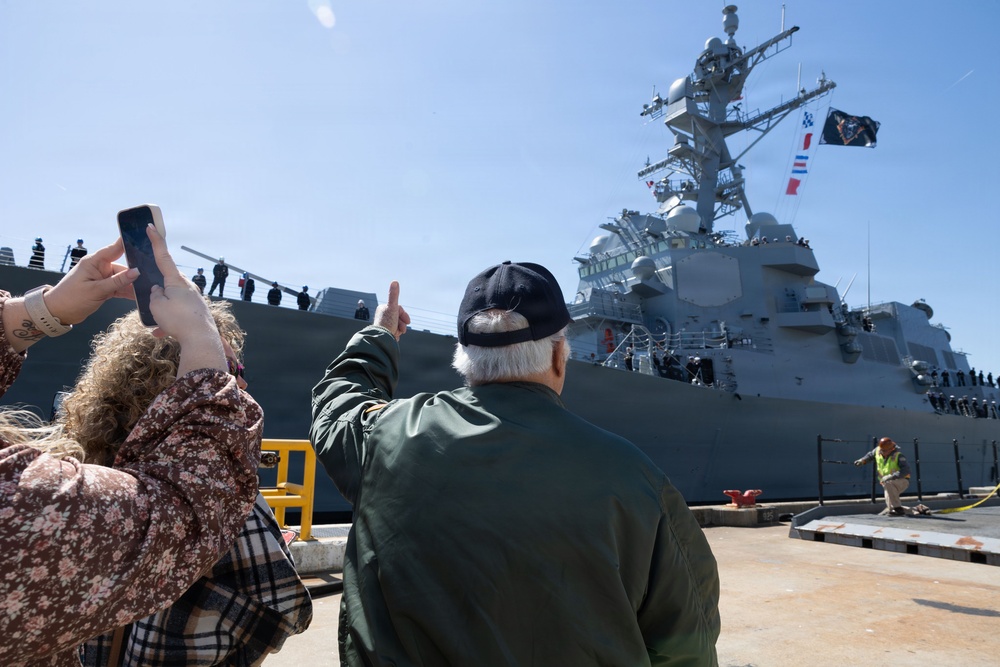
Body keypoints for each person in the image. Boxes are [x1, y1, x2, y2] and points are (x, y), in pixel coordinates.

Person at [310, 262, 720, 666]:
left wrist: (380, 335)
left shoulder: (384, 435)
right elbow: (687, 640)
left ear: (463, 357)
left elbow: (336, 406)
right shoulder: (638, 478)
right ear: (559, 354)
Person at [0, 230, 263, 664]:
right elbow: (185, 509)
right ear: (175, 387)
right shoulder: (31, 506)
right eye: (235, 368)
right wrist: (204, 346)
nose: (242, 382)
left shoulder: (71, 470)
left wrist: (41, 310)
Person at [63, 302, 312, 666]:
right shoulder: (221, 495)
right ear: (169, 384)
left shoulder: (84, 479)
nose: (239, 382)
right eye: (226, 367)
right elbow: (281, 608)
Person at [854, 437, 913, 516]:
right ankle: (911, 510)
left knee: (889, 485)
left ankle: (898, 509)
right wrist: (862, 461)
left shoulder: (898, 456)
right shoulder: (878, 450)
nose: (882, 452)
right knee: (890, 500)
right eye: (881, 450)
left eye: (884, 451)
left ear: (891, 449)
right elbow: (870, 456)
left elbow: (906, 470)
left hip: (901, 481)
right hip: (886, 482)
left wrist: (891, 476)